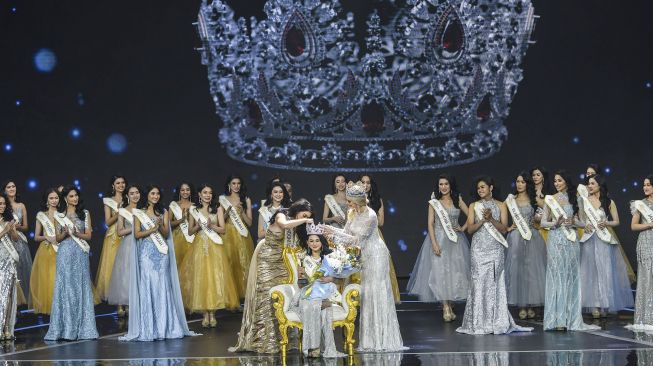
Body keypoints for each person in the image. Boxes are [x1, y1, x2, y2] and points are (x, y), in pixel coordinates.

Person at [321, 181, 407, 352]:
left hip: (375, 256)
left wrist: (333, 235)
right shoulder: (352, 212)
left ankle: (382, 340)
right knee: (367, 295)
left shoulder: (371, 216)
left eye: (350, 201)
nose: (348, 203)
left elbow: (356, 240)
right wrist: (330, 229)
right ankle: (369, 341)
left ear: (359, 201)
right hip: (364, 257)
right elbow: (347, 232)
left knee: (377, 293)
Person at [229, 199, 313, 354]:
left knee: (279, 300)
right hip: (267, 262)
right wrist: (306, 220)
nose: (305, 218)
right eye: (304, 214)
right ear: (298, 211)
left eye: (307, 216)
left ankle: (281, 341)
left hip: (282, 264)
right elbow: (284, 225)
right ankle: (262, 341)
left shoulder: (297, 227)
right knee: (265, 299)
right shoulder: (283, 215)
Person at [456, 176, 532, 335]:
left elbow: (504, 229)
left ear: (491, 188)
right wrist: (483, 220)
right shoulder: (473, 206)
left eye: (483, 187)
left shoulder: (501, 205)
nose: (480, 190)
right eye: (478, 188)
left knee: (494, 283)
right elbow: (470, 229)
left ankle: (496, 320)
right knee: (479, 283)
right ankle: (478, 321)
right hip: (478, 249)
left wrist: (491, 219)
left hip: (495, 249)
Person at [120, 185, 195, 341]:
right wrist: (152, 229)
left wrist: (160, 225)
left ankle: (165, 327)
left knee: (162, 287)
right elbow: (137, 234)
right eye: (153, 193)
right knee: (148, 286)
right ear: (147, 195)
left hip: (161, 254)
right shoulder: (138, 213)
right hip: (146, 254)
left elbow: (167, 233)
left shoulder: (164, 211)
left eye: (158, 194)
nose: (155, 196)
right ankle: (150, 328)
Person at [540, 171, 599, 331]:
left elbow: (584, 223)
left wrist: (574, 221)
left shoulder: (577, 198)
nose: (557, 183)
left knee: (570, 277)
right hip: (555, 240)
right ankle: (557, 320)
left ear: (566, 181)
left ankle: (570, 318)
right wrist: (555, 223)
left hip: (571, 241)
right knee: (556, 276)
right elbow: (543, 223)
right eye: (555, 181)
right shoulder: (550, 199)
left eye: (559, 180)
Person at [407, 174, 470, 322]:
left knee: (455, 272)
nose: (443, 187)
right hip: (439, 240)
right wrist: (434, 243)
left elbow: (471, 214)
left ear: (450, 185)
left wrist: (464, 227)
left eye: (446, 184)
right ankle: (446, 307)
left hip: (455, 241)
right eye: (441, 184)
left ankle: (450, 302)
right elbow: (430, 224)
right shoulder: (434, 203)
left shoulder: (457, 199)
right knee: (440, 272)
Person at [179, 183, 239, 328]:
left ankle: (212, 313)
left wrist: (212, 226)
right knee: (202, 278)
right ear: (199, 195)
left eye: (210, 193)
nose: (207, 195)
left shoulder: (217, 209)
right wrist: (199, 226)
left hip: (214, 247)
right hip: (199, 247)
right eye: (205, 192)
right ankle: (205, 314)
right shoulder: (195, 210)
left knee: (213, 278)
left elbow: (223, 230)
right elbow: (190, 232)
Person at [45, 186, 98, 341]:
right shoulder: (59, 215)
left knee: (81, 286)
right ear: (65, 198)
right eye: (71, 196)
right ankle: (67, 329)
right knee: (66, 287)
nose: (75, 198)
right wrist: (65, 233)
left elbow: (88, 236)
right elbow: (57, 239)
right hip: (65, 254)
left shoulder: (85, 213)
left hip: (80, 254)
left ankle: (83, 328)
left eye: (76, 195)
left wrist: (76, 233)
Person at [578, 174, 634, 317]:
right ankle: (594, 305)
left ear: (599, 186)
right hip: (590, 240)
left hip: (604, 239)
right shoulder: (583, 201)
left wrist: (607, 223)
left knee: (605, 271)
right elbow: (580, 220)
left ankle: (605, 304)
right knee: (590, 272)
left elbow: (616, 221)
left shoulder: (609, 201)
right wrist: (586, 225)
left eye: (592, 183)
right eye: (588, 184)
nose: (589, 186)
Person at [504, 172, 547, 319]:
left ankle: (531, 303)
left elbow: (548, 213)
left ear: (527, 184)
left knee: (532, 271)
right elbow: (501, 215)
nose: (519, 184)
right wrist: (507, 228)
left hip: (532, 237)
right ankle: (522, 305)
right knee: (518, 270)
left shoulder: (534, 199)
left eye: (522, 182)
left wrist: (538, 221)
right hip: (516, 237)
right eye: (517, 181)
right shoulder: (511, 199)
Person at [107, 184, 141, 315]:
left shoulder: (144, 210)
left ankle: (137, 302)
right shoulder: (123, 211)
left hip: (142, 243)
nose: (135, 195)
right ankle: (126, 303)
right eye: (132, 193)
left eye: (137, 192)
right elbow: (119, 231)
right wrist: (135, 229)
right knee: (126, 274)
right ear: (127, 196)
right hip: (128, 244)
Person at [218, 175, 254, 298]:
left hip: (242, 235)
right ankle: (231, 298)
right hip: (227, 235)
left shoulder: (246, 199)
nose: (236, 186)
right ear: (229, 185)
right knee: (229, 264)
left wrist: (242, 211)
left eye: (238, 183)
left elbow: (249, 223)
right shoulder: (223, 199)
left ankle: (243, 298)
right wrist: (227, 212)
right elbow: (219, 221)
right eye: (233, 183)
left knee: (242, 264)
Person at [626, 175, 653, 331]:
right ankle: (646, 317)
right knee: (646, 280)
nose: (645, 187)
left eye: (649, 185)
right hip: (646, 242)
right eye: (644, 185)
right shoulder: (640, 204)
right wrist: (649, 224)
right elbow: (634, 226)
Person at [95, 175, 127, 302]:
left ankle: (128, 300)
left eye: (123, 182)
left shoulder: (130, 197)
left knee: (126, 268)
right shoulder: (108, 201)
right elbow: (107, 222)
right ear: (113, 186)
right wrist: (119, 212)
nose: (121, 185)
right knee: (115, 268)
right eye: (118, 183)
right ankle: (119, 302)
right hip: (114, 237)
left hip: (128, 233)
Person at [30, 188, 61, 315]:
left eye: (56, 198)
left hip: (61, 249)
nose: (54, 200)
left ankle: (61, 307)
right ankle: (52, 309)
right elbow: (36, 237)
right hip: (46, 250)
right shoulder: (41, 215)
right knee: (49, 280)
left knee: (59, 279)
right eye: (51, 198)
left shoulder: (63, 213)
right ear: (47, 200)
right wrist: (47, 237)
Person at [3, 180, 32, 299]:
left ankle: (23, 300)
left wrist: (16, 226)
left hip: (19, 240)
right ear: (5, 190)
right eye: (8, 187)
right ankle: (11, 299)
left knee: (22, 269)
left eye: (13, 186)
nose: (11, 188)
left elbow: (26, 227)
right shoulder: (2, 205)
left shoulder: (21, 206)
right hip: (6, 241)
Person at [0, 193, 20, 341]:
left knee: (7, 295)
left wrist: (12, 230)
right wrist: (5, 230)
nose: (1, 206)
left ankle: (6, 328)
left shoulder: (8, 219)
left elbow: (15, 239)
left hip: (9, 260)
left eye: (3, 204)